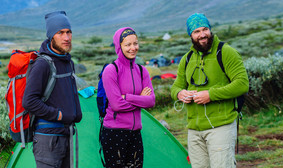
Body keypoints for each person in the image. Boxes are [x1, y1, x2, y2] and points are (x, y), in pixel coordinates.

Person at [170, 13, 249, 168]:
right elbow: (175, 87)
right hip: (194, 129)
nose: (202, 35)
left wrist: (211, 95)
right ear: (190, 35)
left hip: (221, 126)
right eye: (196, 32)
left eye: (205, 29)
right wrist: (180, 94)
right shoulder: (187, 59)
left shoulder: (226, 52)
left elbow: (242, 84)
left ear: (210, 30)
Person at [22, 11, 82, 168]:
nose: (66, 38)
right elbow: (29, 101)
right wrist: (58, 114)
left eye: (68, 32)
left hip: (66, 135)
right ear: (51, 36)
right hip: (47, 141)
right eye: (60, 33)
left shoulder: (68, 62)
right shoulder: (42, 64)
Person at [101, 27, 155, 168]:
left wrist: (128, 97)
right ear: (119, 47)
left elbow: (151, 101)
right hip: (114, 133)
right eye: (128, 44)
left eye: (135, 43)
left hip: (135, 133)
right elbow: (116, 105)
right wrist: (140, 99)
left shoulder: (142, 71)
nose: (133, 48)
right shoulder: (111, 70)